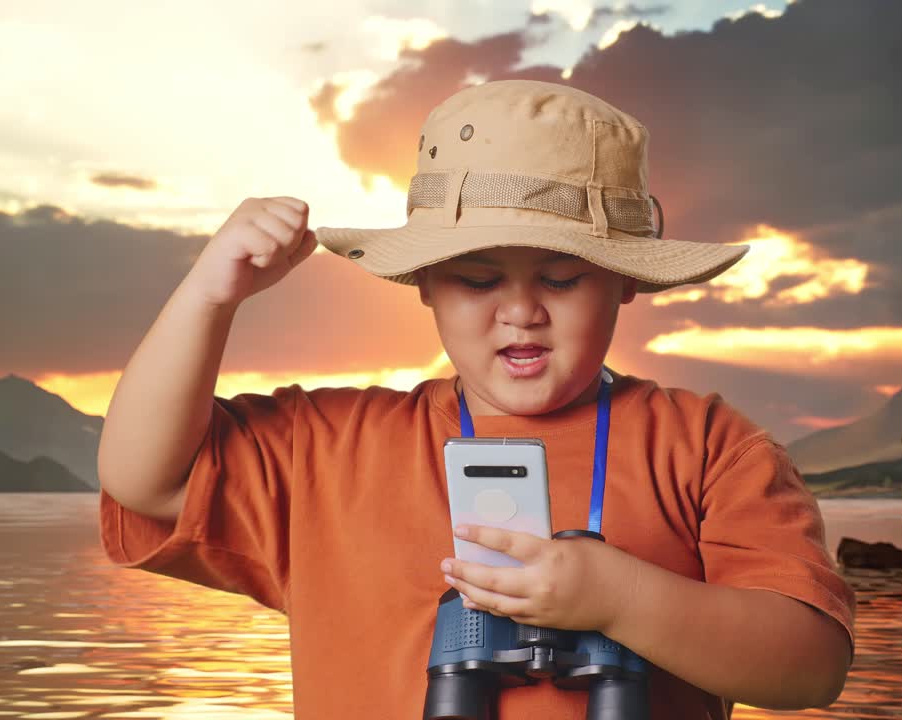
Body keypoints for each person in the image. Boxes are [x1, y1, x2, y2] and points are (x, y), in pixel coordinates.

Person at [97, 79, 856, 719]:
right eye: (479, 277)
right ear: (423, 282)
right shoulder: (327, 445)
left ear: (626, 280)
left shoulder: (708, 446)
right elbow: (145, 480)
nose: (521, 310)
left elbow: (811, 667)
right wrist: (209, 295)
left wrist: (620, 600)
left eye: (561, 278)